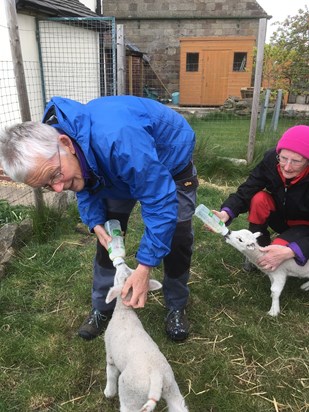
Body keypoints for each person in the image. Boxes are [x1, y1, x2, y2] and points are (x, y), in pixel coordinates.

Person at [0, 95, 198, 342]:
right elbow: (83, 183)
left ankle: (176, 305)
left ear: (66, 143)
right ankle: (102, 306)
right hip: (114, 166)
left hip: (169, 157)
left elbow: (159, 199)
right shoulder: (66, 153)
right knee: (108, 235)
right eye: (48, 185)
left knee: (177, 235)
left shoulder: (119, 138)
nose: (59, 188)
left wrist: (145, 266)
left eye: (55, 175)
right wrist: (94, 222)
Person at [213, 125, 309, 272]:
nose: (287, 167)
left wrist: (292, 251)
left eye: (296, 161)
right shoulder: (271, 160)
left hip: (304, 226)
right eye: (283, 158)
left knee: (278, 251)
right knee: (259, 199)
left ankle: (282, 248)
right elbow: (249, 188)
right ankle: (259, 245)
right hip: (281, 215)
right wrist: (227, 212)